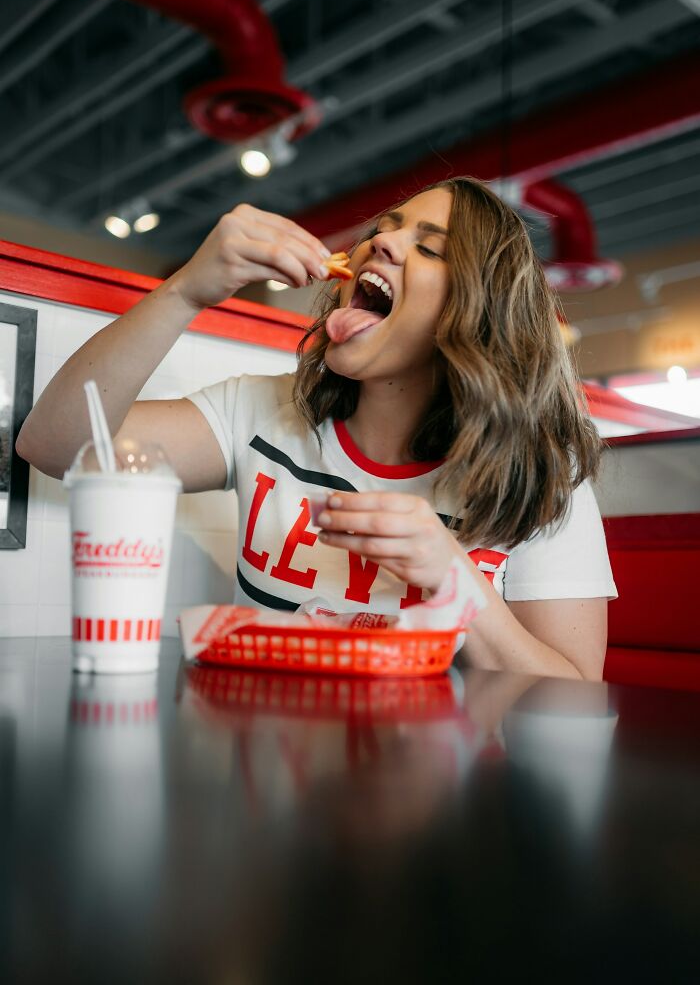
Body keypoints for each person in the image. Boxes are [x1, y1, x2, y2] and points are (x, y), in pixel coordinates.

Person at [17, 176, 617, 680]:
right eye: (386, 226)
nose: (381, 242)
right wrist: (185, 292)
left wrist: (455, 580)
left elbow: (580, 696)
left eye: (430, 248)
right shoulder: (255, 413)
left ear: (480, 314)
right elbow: (52, 445)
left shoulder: (545, 474)